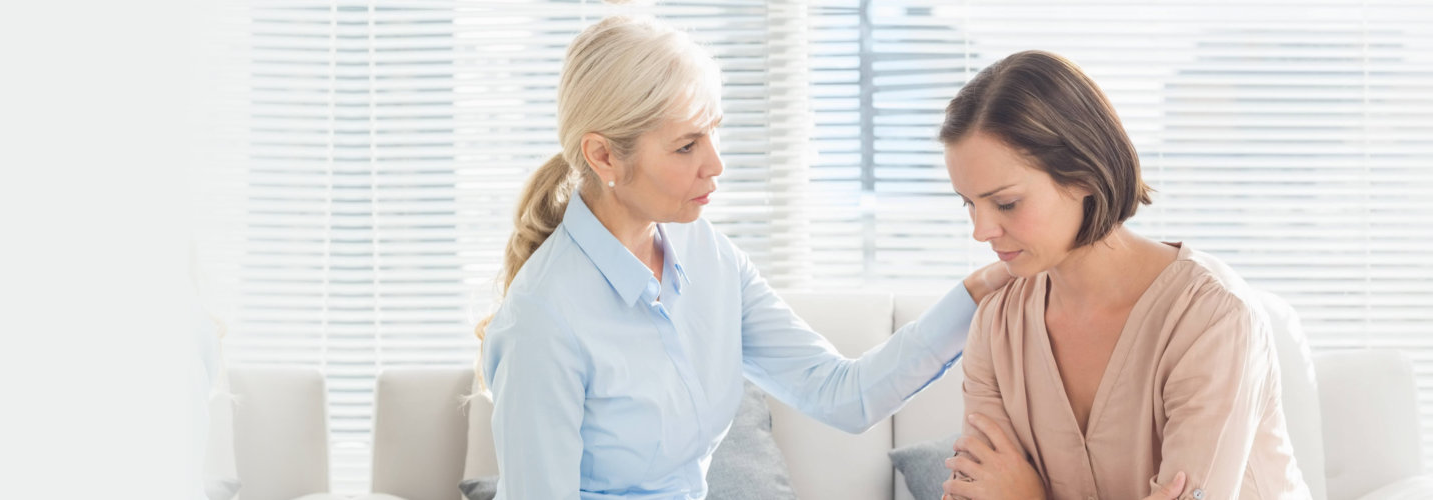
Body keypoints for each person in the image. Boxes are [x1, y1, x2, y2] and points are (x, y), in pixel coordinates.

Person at [476, 16, 1012, 499]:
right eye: (686, 146)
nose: (716, 164)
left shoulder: (707, 255)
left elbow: (841, 394)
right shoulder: (542, 320)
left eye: (714, 130)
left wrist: (977, 294)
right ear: (603, 155)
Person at [937, 50, 1312, 500]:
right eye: (969, 204)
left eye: (1006, 203)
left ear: (1084, 176)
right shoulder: (999, 325)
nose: (980, 231)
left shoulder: (1210, 316)